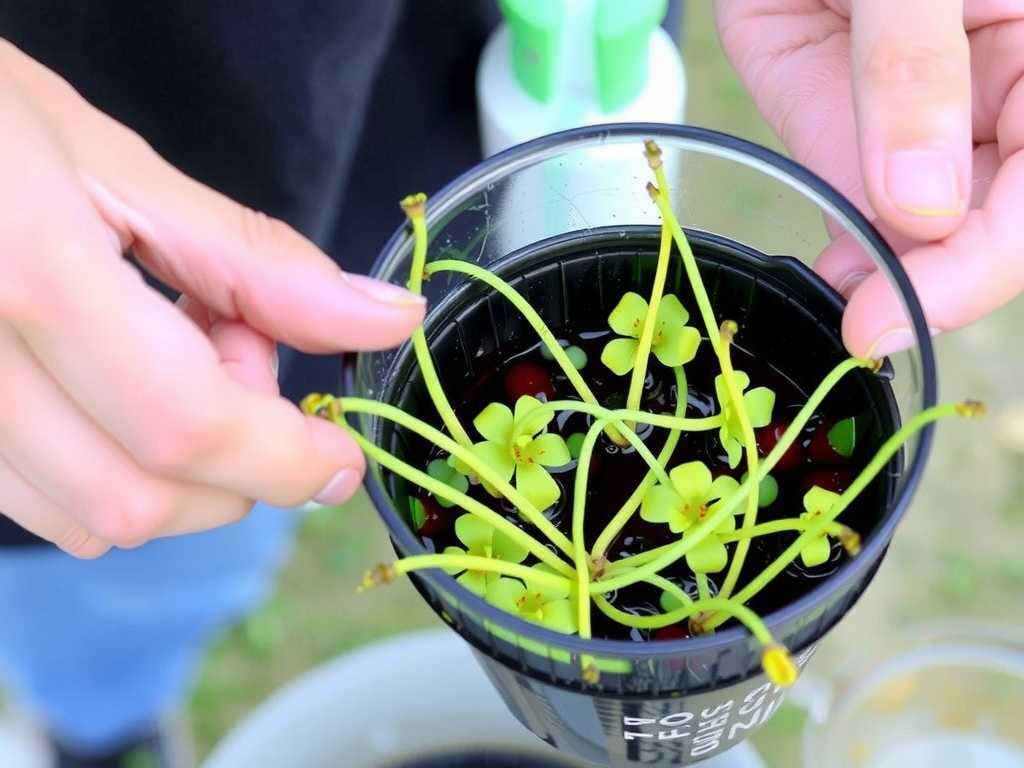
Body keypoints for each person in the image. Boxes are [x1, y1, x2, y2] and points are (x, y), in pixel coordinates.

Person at [0, 1, 1020, 766]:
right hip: (88, 231)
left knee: (207, 505)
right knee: (122, 541)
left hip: (472, 79)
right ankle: (107, 722)